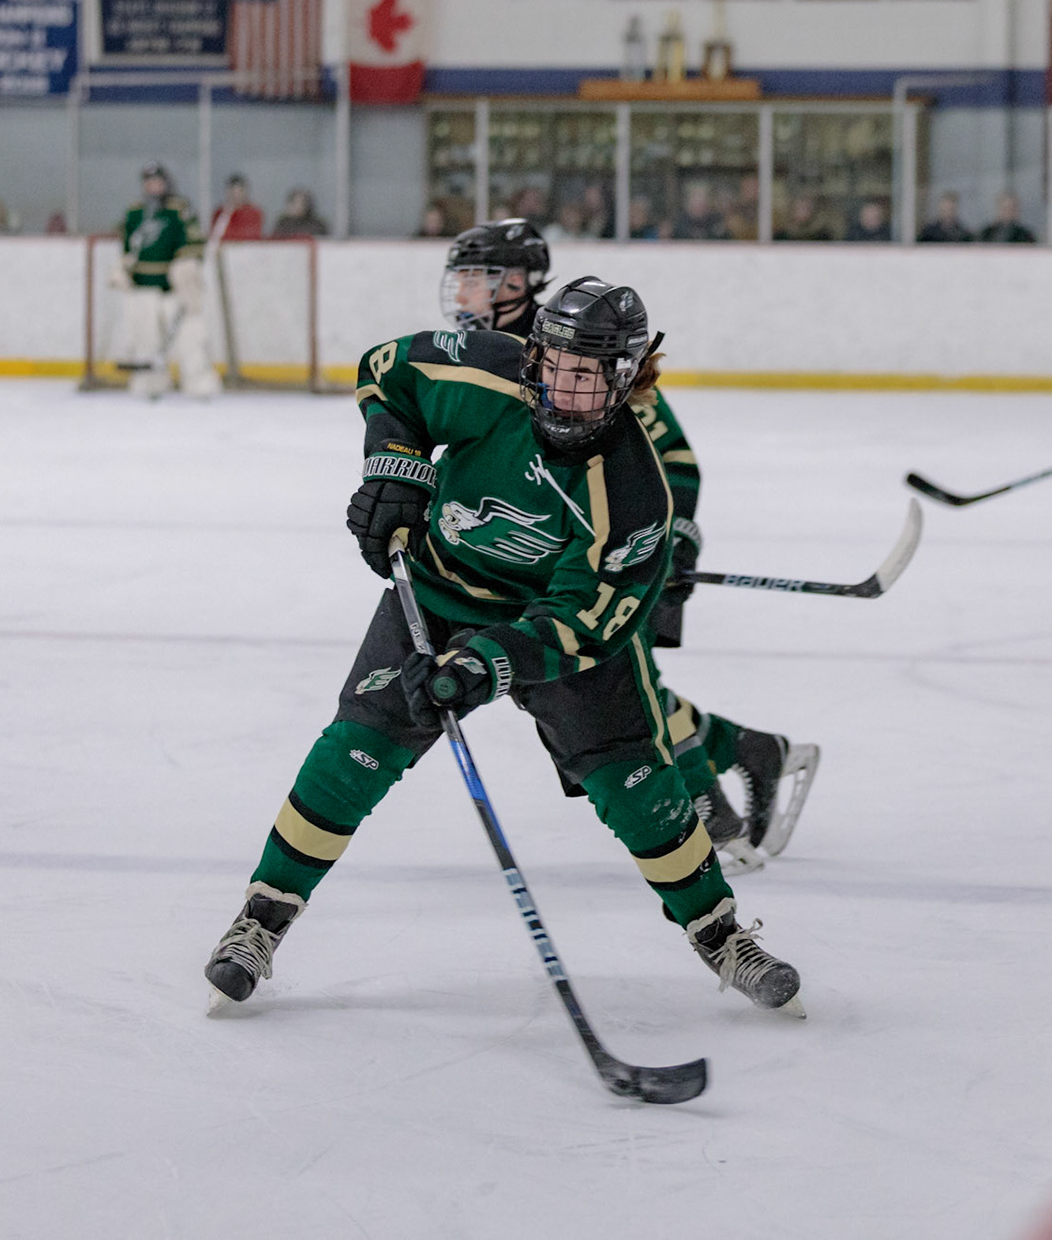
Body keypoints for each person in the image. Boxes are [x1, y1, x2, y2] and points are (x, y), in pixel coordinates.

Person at [202, 277, 806, 1018]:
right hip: (437, 594)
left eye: (585, 375)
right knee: (354, 751)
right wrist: (395, 467)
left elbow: (584, 623)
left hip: (547, 632)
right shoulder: (488, 373)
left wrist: (487, 663)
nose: (562, 388)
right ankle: (260, 921)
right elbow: (386, 372)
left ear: (624, 380)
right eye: (554, 365)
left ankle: (721, 935)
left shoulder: (633, 493)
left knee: (637, 785)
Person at [438, 219, 820, 866]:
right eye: (463, 278)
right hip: (524, 564)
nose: (464, 292)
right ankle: (749, 750)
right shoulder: (480, 353)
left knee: (619, 692)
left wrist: (676, 543)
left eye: (479, 278)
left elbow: (677, 462)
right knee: (608, 688)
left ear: (519, 283)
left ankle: (712, 822)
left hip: (603, 558)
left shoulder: (588, 350)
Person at [113, 162, 218, 399]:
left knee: (190, 337)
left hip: (175, 288)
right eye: (149, 182)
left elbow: (194, 243)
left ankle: (199, 383)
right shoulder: (135, 212)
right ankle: (151, 383)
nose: (153, 187)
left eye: (158, 182)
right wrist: (123, 269)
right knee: (146, 339)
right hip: (142, 286)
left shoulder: (179, 209)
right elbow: (127, 247)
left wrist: (186, 268)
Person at [210, 174, 264, 241]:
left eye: (239, 192)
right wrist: (227, 213)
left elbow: (250, 235)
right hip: (225, 245)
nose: (235, 195)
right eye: (232, 192)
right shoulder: (219, 212)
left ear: (245, 192)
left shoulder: (253, 212)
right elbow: (215, 235)